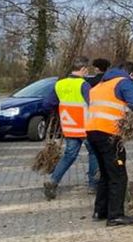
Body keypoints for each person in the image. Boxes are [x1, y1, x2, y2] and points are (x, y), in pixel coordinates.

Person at [86, 61, 133, 226]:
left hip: (92, 132)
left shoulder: (100, 85)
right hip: (109, 134)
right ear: (130, 74)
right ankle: (115, 215)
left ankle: (100, 211)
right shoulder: (123, 82)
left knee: (105, 174)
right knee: (118, 175)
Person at [42, 57, 99, 199]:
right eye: (87, 70)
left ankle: (53, 181)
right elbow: (93, 104)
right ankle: (93, 185)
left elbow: (47, 104)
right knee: (94, 153)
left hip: (69, 127)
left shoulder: (59, 84)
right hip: (86, 127)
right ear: (83, 69)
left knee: (69, 155)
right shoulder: (84, 85)